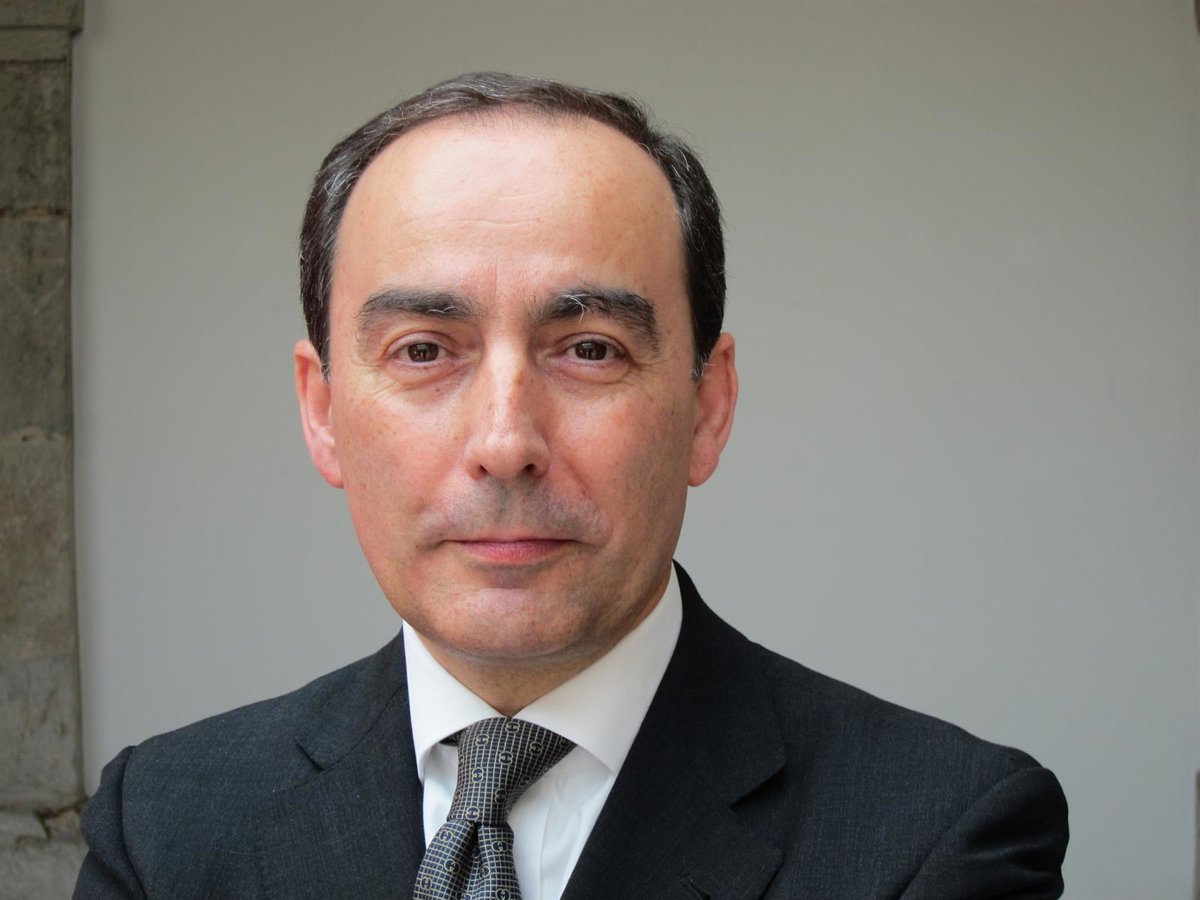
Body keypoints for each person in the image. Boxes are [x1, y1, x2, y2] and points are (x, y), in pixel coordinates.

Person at [74, 73, 1068, 899]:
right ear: (323, 411)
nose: (506, 444)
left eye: (590, 349)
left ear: (707, 406)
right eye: (423, 350)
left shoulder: (939, 836)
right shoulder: (162, 828)